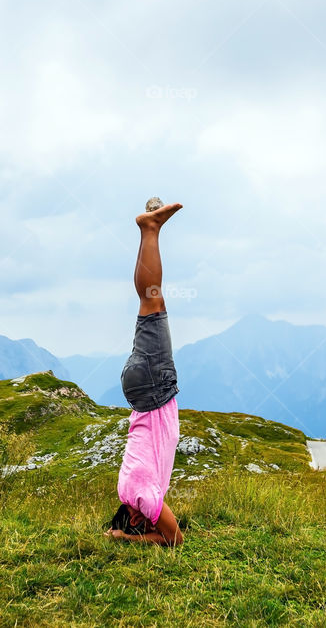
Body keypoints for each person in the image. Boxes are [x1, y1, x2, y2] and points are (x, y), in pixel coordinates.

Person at [104, 200, 184, 547]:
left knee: (151, 301)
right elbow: (166, 533)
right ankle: (152, 230)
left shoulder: (145, 499)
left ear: (134, 518)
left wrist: (126, 538)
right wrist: (124, 528)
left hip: (153, 389)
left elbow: (174, 540)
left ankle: (149, 228)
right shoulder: (127, 489)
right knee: (154, 304)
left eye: (142, 524)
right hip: (142, 391)